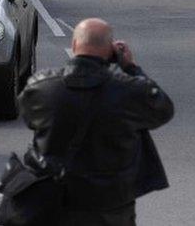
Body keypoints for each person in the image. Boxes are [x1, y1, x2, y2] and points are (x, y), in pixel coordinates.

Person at [13, 18, 174, 226]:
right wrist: (132, 68)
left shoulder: (42, 87)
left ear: (74, 46)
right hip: (111, 204)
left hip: (56, 200)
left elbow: (29, 117)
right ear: (110, 51)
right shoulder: (128, 90)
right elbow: (163, 109)